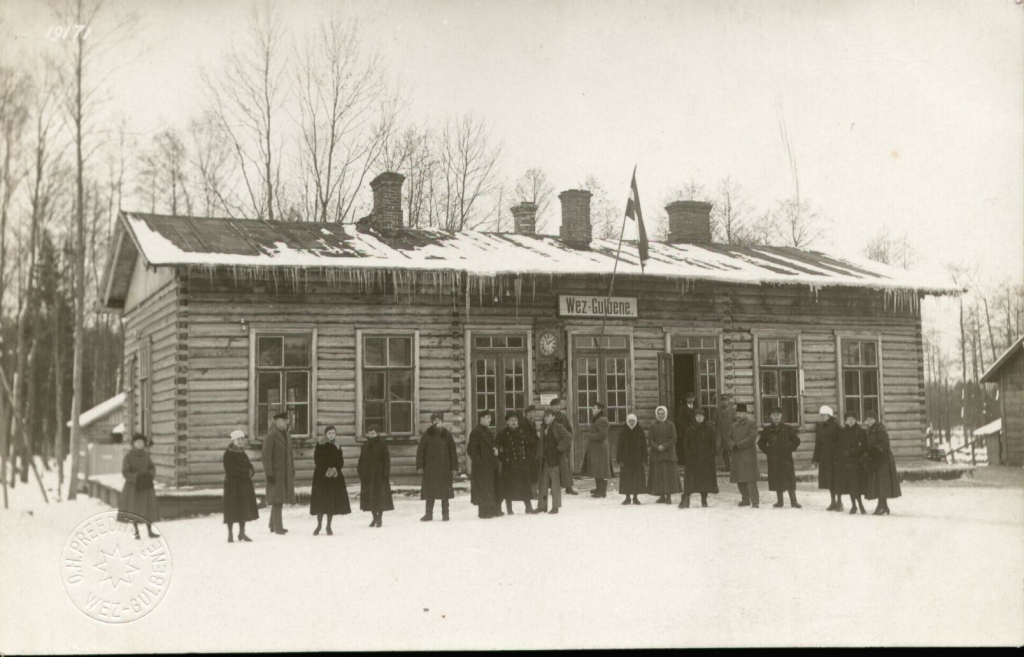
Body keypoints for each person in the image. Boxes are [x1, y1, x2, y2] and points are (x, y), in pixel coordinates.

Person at [310, 425, 352, 535]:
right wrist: (326, 470)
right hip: (321, 477)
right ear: (325, 434)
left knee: (331, 502)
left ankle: (328, 526)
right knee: (320, 502)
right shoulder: (320, 445)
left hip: (334, 477)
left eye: (333, 433)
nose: (331, 435)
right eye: (329, 433)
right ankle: (319, 525)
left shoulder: (337, 445)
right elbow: (317, 460)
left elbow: (340, 461)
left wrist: (335, 469)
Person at [417, 412, 458, 522]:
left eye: (439, 420)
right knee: (430, 493)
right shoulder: (427, 434)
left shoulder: (447, 435)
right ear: (432, 422)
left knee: (445, 494)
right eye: (434, 420)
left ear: (442, 422)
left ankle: (445, 514)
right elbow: (421, 451)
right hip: (430, 469)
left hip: (444, 469)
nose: (436, 422)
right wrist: (420, 466)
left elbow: (452, 452)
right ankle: (428, 514)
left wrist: (454, 467)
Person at [119, 433, 161, 539]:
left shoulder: (146, 455)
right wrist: (136, 478)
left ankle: (150, 532)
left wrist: (150, 475)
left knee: (148, 508)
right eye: (138, 442)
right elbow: (125, 472)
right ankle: (137, 532)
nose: (140, 444)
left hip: (146, 485)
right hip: (134, 487)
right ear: (133, 443)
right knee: (135, 509)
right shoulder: (128, 456)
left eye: (142, 442)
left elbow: (152, 467)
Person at [758, 407, 802, 509]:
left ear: (781, 416)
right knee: (776, 478)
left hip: (786, 458)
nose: (776, 417)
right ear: (770, 417)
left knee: (789, 479)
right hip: (774, 459)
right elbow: (761, 442)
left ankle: (794, 501)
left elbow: (796, 440)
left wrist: (790, 448)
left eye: (778, 415)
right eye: (774, 415)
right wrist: (768, 451)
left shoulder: (788, 428)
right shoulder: (767, 430)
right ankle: (779, 501)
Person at [262, 411, 296, 535]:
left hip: (285, 473)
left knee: (279, 498)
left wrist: (292, 469)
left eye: (286, 420)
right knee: (277, 500)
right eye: (282, 420)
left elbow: (290, 454)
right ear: (276, 421)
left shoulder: (287, 435)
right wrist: (269, 473)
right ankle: (278, 527)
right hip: (275, 474)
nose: (285, 422)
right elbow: (266, 456)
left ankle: (272, 525)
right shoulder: (271, 436)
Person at [496, 411, 537, 514]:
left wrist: (528, 457)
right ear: (507, 422)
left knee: (525, 485)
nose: (514, 422)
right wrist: (502, 457)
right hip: (508, 464)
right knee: (508, 486)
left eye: (515, 420)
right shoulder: (503, 433)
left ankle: (528, 507)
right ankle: (509, 508)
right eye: (511, 420)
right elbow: (496, 445)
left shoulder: (522, 432)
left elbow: (531, 444)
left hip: (521, 463)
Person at [223, 429, 258, 543]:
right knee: (232, 509)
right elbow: (231, 469)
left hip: (243, 485)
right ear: (233, 440)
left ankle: (242, 533)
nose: (240, 441)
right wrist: (245, 472)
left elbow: (248, 465)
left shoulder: (242, 452)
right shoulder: (229, 453)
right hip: (232, 486)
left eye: (241, 439)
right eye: (238, 439)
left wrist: (250, 470)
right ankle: (230, 534)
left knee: (243, 508)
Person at [863, 411, 901, 515]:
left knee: (881, 483)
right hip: (876, 458)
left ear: (875, 419)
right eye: (867, 419)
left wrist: (874, 450)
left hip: (883, 459)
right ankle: (884, 506)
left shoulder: (879, 430)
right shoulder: (870, 430)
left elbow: (885, 445)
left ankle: (881, 506)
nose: (868, 421)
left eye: (870, 419)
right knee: (879, 483)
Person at [535, 409, 573, 514]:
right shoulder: (544, 428)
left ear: (553, 417)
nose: (546, 418)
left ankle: (555, 507)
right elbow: (541, 444)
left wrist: (559, 448)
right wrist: (538, 456)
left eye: (548, 416)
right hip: (545, 461)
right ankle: (542, 506)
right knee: (542, 485)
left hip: (555, 462)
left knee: (555, 485)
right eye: (545, 416)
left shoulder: (558, 427)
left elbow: (569, 437)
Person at [681, 407, 719, 508]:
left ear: (704, 417)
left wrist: (711, 455)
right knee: (690, 480)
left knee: (704, 480)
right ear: (694, 417)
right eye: (697, 416)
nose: (699, 418)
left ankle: (704, 499)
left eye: (701, 416)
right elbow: (686, 444)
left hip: (705, 459)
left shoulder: (708, 429)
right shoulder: (690, 429)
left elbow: (713, 444)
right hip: (693, 458)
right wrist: (688, 455)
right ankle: (686, 499)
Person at [467, 411, 501, 519]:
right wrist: (479, 462)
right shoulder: (475, 432)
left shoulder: (487, 431)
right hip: (482, 466)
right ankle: (483, 512)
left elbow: (492, 444)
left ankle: (492, 510)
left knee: (491, 487)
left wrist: (495, 448)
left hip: (490, 463)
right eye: (487, 417)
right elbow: (471, 449)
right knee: (483, 488)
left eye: (490, 417)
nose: (490, 419)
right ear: (481, 419)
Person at [357, 425, 393, 528]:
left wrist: (385, 474)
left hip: (379, 476)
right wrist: (361, 472)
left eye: (373, 433)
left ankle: (379, 518)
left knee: (380, 498)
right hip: (368, 476)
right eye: (369, 433)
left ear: (377, 433)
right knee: (370, 498)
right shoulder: (365, 445)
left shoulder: (382, 445)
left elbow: (386, 461)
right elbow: (361, 460)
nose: (371, 435)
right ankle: (374, 518)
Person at [727, 403, 760, 508]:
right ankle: (745, 500)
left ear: (746, 413)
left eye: (742, 412)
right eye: (738, 412)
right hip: (736, 455)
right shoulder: (733, 425)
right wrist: (732, 445)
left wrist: (738, 445)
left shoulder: (752, 424)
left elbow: (751, 438)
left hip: (748, 455)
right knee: (739, 477)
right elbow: (728, 438)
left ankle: (755, 501)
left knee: (750, 478)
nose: (739, 415)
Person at [647, 405, 682, 503]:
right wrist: (657, 447)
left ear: (665, 414)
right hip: (657, 454)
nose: (661, 415)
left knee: (668, 475)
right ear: (656, 414)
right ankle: (661, 496)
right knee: (659, 475)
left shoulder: (671, 424)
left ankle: (668, 496)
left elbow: (674, 439)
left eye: (662, 414)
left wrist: (664, 446)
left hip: (668, 453)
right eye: (659, 414)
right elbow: (650, 439)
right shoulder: (653, 425)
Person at [836, 410, 868, 515]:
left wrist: (850, 452)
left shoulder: (860, 431)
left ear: (856, 420)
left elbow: (863, 446)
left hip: (856, 462)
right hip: (845, 462)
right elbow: (839, 445)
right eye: (848, 419)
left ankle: (861, 506)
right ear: (845, 420)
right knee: (850, 485)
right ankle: (854, 506)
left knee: (856, 485)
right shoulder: (842, 431)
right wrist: (842, 453)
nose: (850, 421)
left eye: (853, 419)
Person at [812, 405, 842, 511]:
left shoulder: (836, 427)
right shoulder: (820, 427)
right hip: (824, 458)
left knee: (836, 480)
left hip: (835, 457)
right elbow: (818, 444)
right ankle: (833, 501)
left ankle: (839, 502)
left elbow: (841, 442)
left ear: (829, 415)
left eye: (824, 415)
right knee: (829, 480)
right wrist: (815, 459)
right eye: (821, 415)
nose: (822, 417)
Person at [549, 397, 578, 495]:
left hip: (564, 446)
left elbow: (569, 429)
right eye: (555, 405)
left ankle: (568, 487)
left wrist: (566, 442)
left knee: (566, 467)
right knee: (555, 468)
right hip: (554, 446)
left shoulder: (563, 417)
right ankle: (554, 488)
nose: (558, 407)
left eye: (559, 405)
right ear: (551, 407)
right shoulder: (549, 417)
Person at [617, 413, 648, 505]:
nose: (631, 422)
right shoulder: (623, 431)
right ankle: (627, 497)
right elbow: (619, 446)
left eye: (633, 421)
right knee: (627, 479)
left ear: (636, 421)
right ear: (627, 421)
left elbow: (644, 446)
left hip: (637, 460)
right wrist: (620, 460)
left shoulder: (640, 431)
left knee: (636, 479)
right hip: (626, 461)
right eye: (630, 421)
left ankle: (635, 497)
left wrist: (644, 460)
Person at [584, 402, 612, 498]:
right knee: (597, 468)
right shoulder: (597, 419)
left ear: (599, 409)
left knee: (602, 469)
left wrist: (589, 435)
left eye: (594, 408)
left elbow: (602, 435)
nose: (592, 409)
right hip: (597, 449)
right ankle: (598, 489)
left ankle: (602, 491)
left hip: (600, 449)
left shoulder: (602, 420)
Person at [675, 391, 697, 463]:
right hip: (684, 430)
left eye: (692, 398)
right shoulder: (682, 407)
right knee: (684, 445)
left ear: (694, 398)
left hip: (694, 430)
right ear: (686, 399)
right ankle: (684, 461)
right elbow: (678, 419)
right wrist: (686, 427)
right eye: (689, 398)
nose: (691, 400)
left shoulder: (696, 407)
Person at [717, 394, 735, 471]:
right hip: (721, 434)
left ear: (728, 401)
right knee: (724, 451)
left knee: (732, 451)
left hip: (731, 434)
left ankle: (734, 467)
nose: (724, 402)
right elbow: (716, 421)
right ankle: (727, 466)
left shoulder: (732, 410)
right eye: (722, 400)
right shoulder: (718, 410)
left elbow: (735, 422)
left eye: (726, 400)